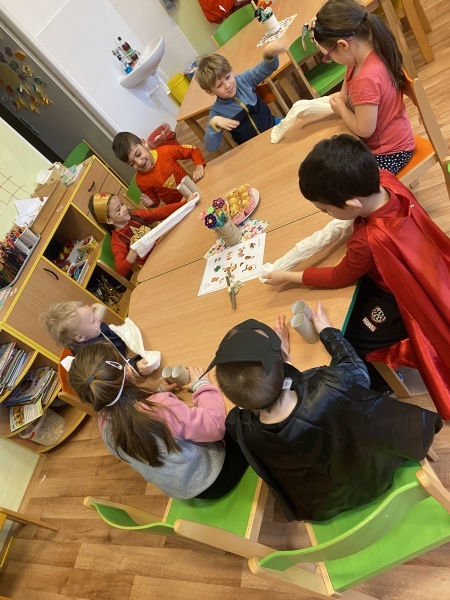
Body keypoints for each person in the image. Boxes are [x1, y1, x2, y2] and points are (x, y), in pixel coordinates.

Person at [265, 134, 450, 419]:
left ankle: (379, 384)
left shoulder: (368, 241)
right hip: (435, 272)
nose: (326, 215)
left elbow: (339, 276)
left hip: (402, 302)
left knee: (352, 338)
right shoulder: (386, 179)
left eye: (326, 210)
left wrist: (289, 276)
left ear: (352, 205)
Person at [206, 308, 442, 521]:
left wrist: (280, 364)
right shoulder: (329, 385)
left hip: (324, 504)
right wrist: (327, 332)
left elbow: (252, 412)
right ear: (283, 363)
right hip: (376, 473)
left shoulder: (239, 426)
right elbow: (356, 369)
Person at [68, 341, 248, 499]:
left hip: (183, 490)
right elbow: (216, 426)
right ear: (126, 372)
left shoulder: (104, 426)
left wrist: (158, 393)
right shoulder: (161, 409)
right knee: (242, 414)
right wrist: (202, 386)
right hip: (216, 479)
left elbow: (135, 417)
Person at [303, 0, 414, 174]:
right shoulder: (361, 58)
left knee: (343, 180)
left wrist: (342, 110)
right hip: (393, 140)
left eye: (328, 56)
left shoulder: (366, 78)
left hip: (390, 152)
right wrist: (340, 103)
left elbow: (364, 130)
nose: (332, 60)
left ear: (343, 45)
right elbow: (344, 96)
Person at [196, 40, 286, 152]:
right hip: (252, 149)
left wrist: (269, 55)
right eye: (219, 85)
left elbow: (267, 68)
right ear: (210, 92)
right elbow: (211, 147)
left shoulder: (244, 81)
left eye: (228, 77)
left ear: (231, 69)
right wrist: (213, 125)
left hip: (275, 127)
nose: (227, 85)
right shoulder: (217, 112)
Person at [40, 301, 158, 377]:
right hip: (126, 365)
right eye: (93, 320)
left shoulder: (88, 332)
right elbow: (116, 373)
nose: (98, 318)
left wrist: (99, 308)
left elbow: (93, 320)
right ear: (80, 338)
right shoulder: (94, 356)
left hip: (126, 348)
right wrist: (136, 367)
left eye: (93, 314)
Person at [88, 192, 185, 277]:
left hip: (166, 247)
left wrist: (185, 203)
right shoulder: (117, 241)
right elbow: (120, 271)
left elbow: (160, 212)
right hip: (155, 265)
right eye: (118, 210)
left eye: (122, 204)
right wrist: (131, 255)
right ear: (109, 221)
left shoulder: (136, 215)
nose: (124, 208)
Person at [112, 132, 206, 207]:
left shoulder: (165, 152)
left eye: (138, 154)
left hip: (196, 191)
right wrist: (151, 203)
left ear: (144, 143)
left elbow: (192, 150)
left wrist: (199, 167)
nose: (139, 162)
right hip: (182, 207)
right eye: (132, 163)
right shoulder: (141, 182)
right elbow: (155, 200)